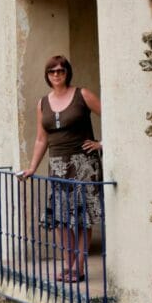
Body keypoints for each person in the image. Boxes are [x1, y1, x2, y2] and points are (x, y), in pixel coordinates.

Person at [20, 55, 103, 283]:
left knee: (82, 217)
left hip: (84, 165)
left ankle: (80, 267)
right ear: (47, 76)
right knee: (61, 218)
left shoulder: (82, 95)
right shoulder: (42, 104)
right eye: (52, 71)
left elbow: (112, 115)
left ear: (68, 72)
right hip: (57, 166)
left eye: (61, 70)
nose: (57, 75)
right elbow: (40, 139)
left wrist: (102, 144)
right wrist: (31, 168)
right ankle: (69, 264)